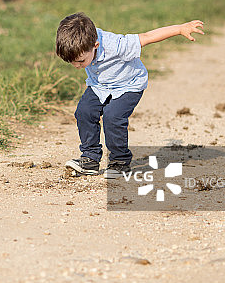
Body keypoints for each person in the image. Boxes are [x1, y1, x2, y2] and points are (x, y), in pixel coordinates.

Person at [55, 12, 204, 179]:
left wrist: (180, 28)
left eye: (81, 61)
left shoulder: (118, 45)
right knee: (84, 111)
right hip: (100, 86)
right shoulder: (81, 40)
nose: (76, 66)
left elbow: (148, 36)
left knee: (113, 116)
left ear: (95, 45)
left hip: (129, 85)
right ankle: (90, 158)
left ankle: (120, 161)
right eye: (71, 62)